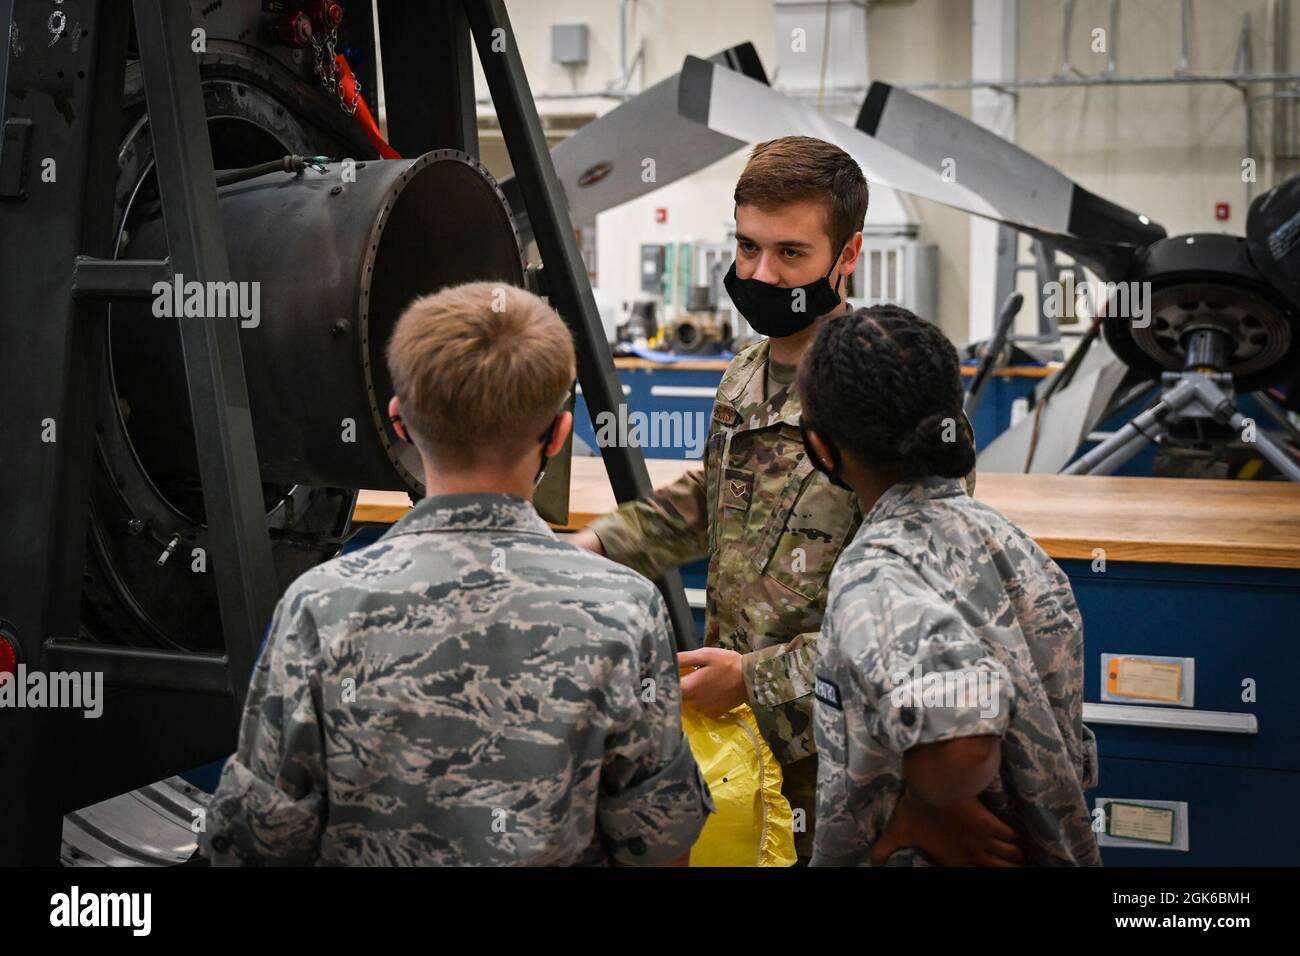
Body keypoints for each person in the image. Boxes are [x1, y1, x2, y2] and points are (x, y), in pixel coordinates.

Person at [199, 281, 712, 866]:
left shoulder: (319, 606)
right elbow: (660, 841)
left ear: (398, 422)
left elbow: (258, 840)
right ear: (559, 434)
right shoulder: (625, 608)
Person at [575, 136, 973, 860]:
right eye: (747, 248)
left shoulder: (890, 392)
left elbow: (924, 622)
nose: (761, 274)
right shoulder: (747, 369)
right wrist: (597, 546)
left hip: (847, 756)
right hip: (739, 747)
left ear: (847, 256)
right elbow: (713, 496)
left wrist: (755, 681)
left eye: (791, 254)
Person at [800, 304, 1101, 867]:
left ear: (821, 447)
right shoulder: (1008, 541)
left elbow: (963, 740)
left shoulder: (875, 575)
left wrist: (920, 807)